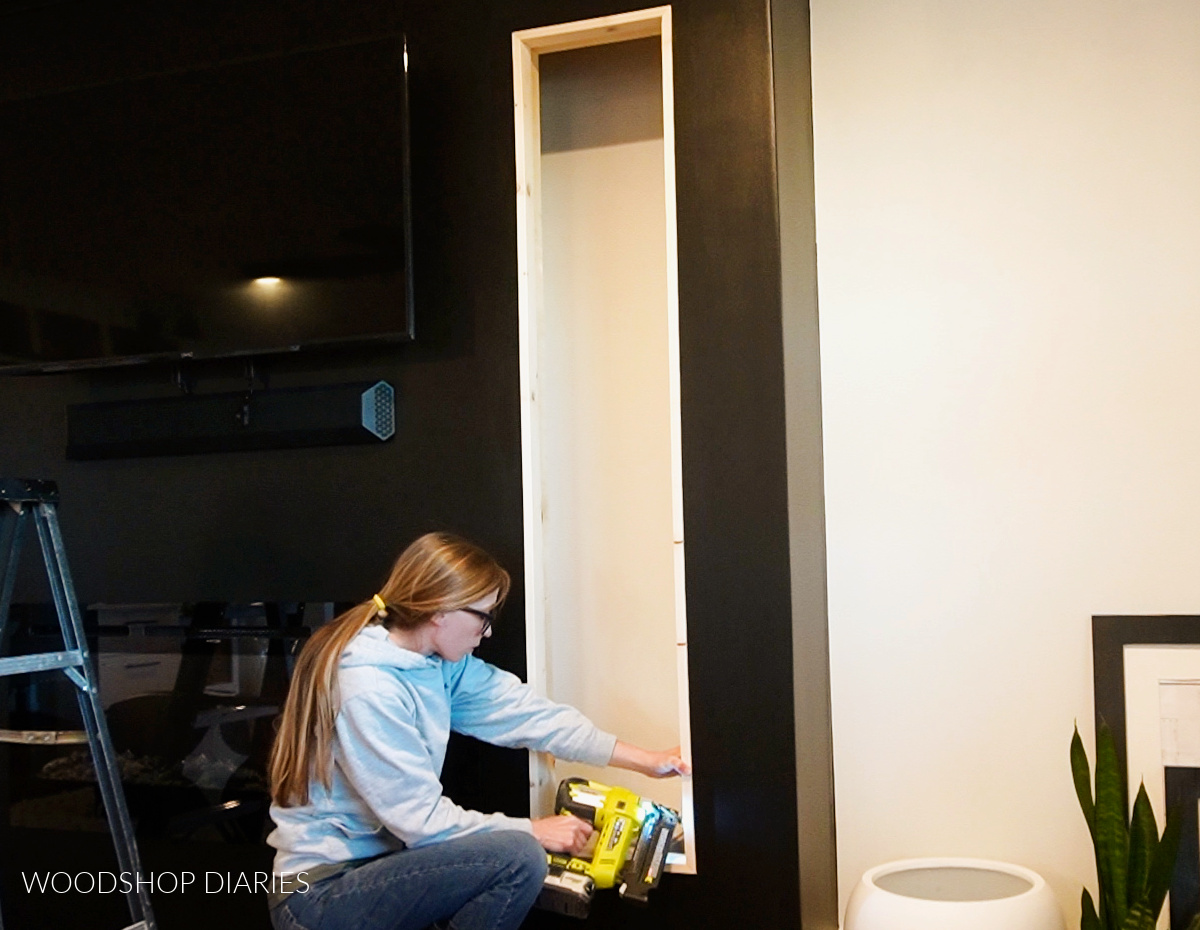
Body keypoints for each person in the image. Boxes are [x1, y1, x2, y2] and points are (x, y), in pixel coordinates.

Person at [266, 531, 689, 930]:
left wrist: (647, 761)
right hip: (317, 894)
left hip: (374, 871)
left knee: (515, 855)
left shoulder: (437, 666)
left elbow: (528, 714)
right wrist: (534, 830)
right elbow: (424, 824)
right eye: (482, 617)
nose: (485, 633)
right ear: (441, 610)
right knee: (519, 857)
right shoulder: (368, 689)